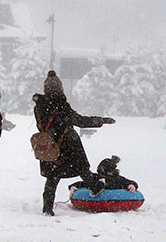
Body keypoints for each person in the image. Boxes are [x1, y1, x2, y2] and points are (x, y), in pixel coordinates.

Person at [33, 70, 116, 216]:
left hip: (50, 146)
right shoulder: (61, 105)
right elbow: (81, 121)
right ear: (60, 88)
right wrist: (101, 120)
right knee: (83, 170)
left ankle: (47, 209)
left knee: (52, 179)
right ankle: (96, 190)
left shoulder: (38, 107)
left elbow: (41, 127)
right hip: (68, 145)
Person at [68, 155, 138, 194]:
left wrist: (132, 185)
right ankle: (97, 189)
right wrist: (74, 186)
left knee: (101, 184)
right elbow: (83, 183)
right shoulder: (96, 178)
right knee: (96, 184)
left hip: (114, 197)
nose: (100, 175)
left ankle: (98, 188)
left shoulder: (117, 179)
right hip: (99, 197)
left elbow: (129, 182)